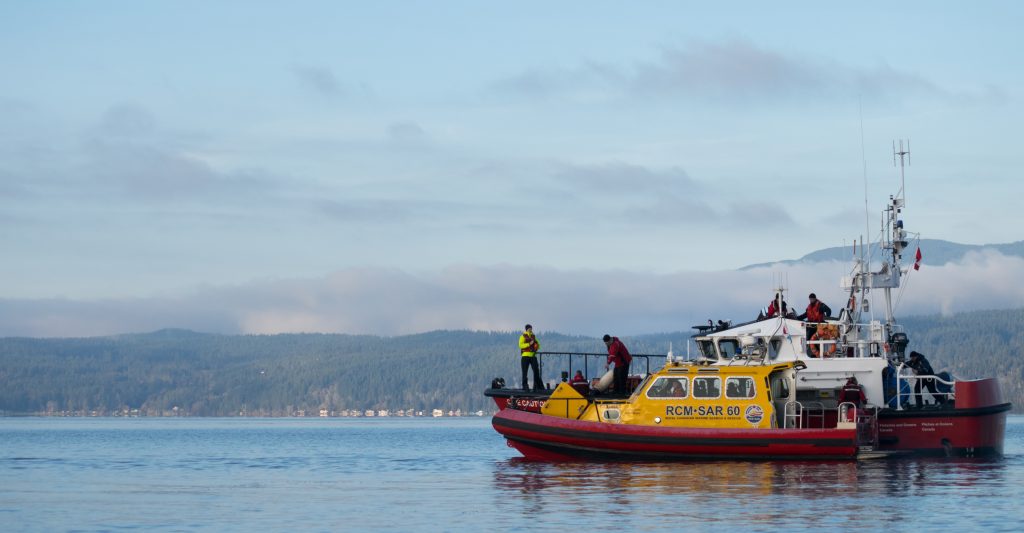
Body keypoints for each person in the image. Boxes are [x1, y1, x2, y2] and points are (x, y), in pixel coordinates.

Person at [519, 324, 542, 391]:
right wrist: (529, 344)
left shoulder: (534, 337)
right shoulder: (522, 336)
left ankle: (536, 385)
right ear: (526, 329)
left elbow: (539, 345)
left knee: (536, 371)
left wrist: (536, 346)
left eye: (531, 329)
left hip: (533, 356)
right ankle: (525, 386)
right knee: (525, 372)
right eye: (529, 329)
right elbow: (520, 345)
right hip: (525, 356)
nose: (530, 330)